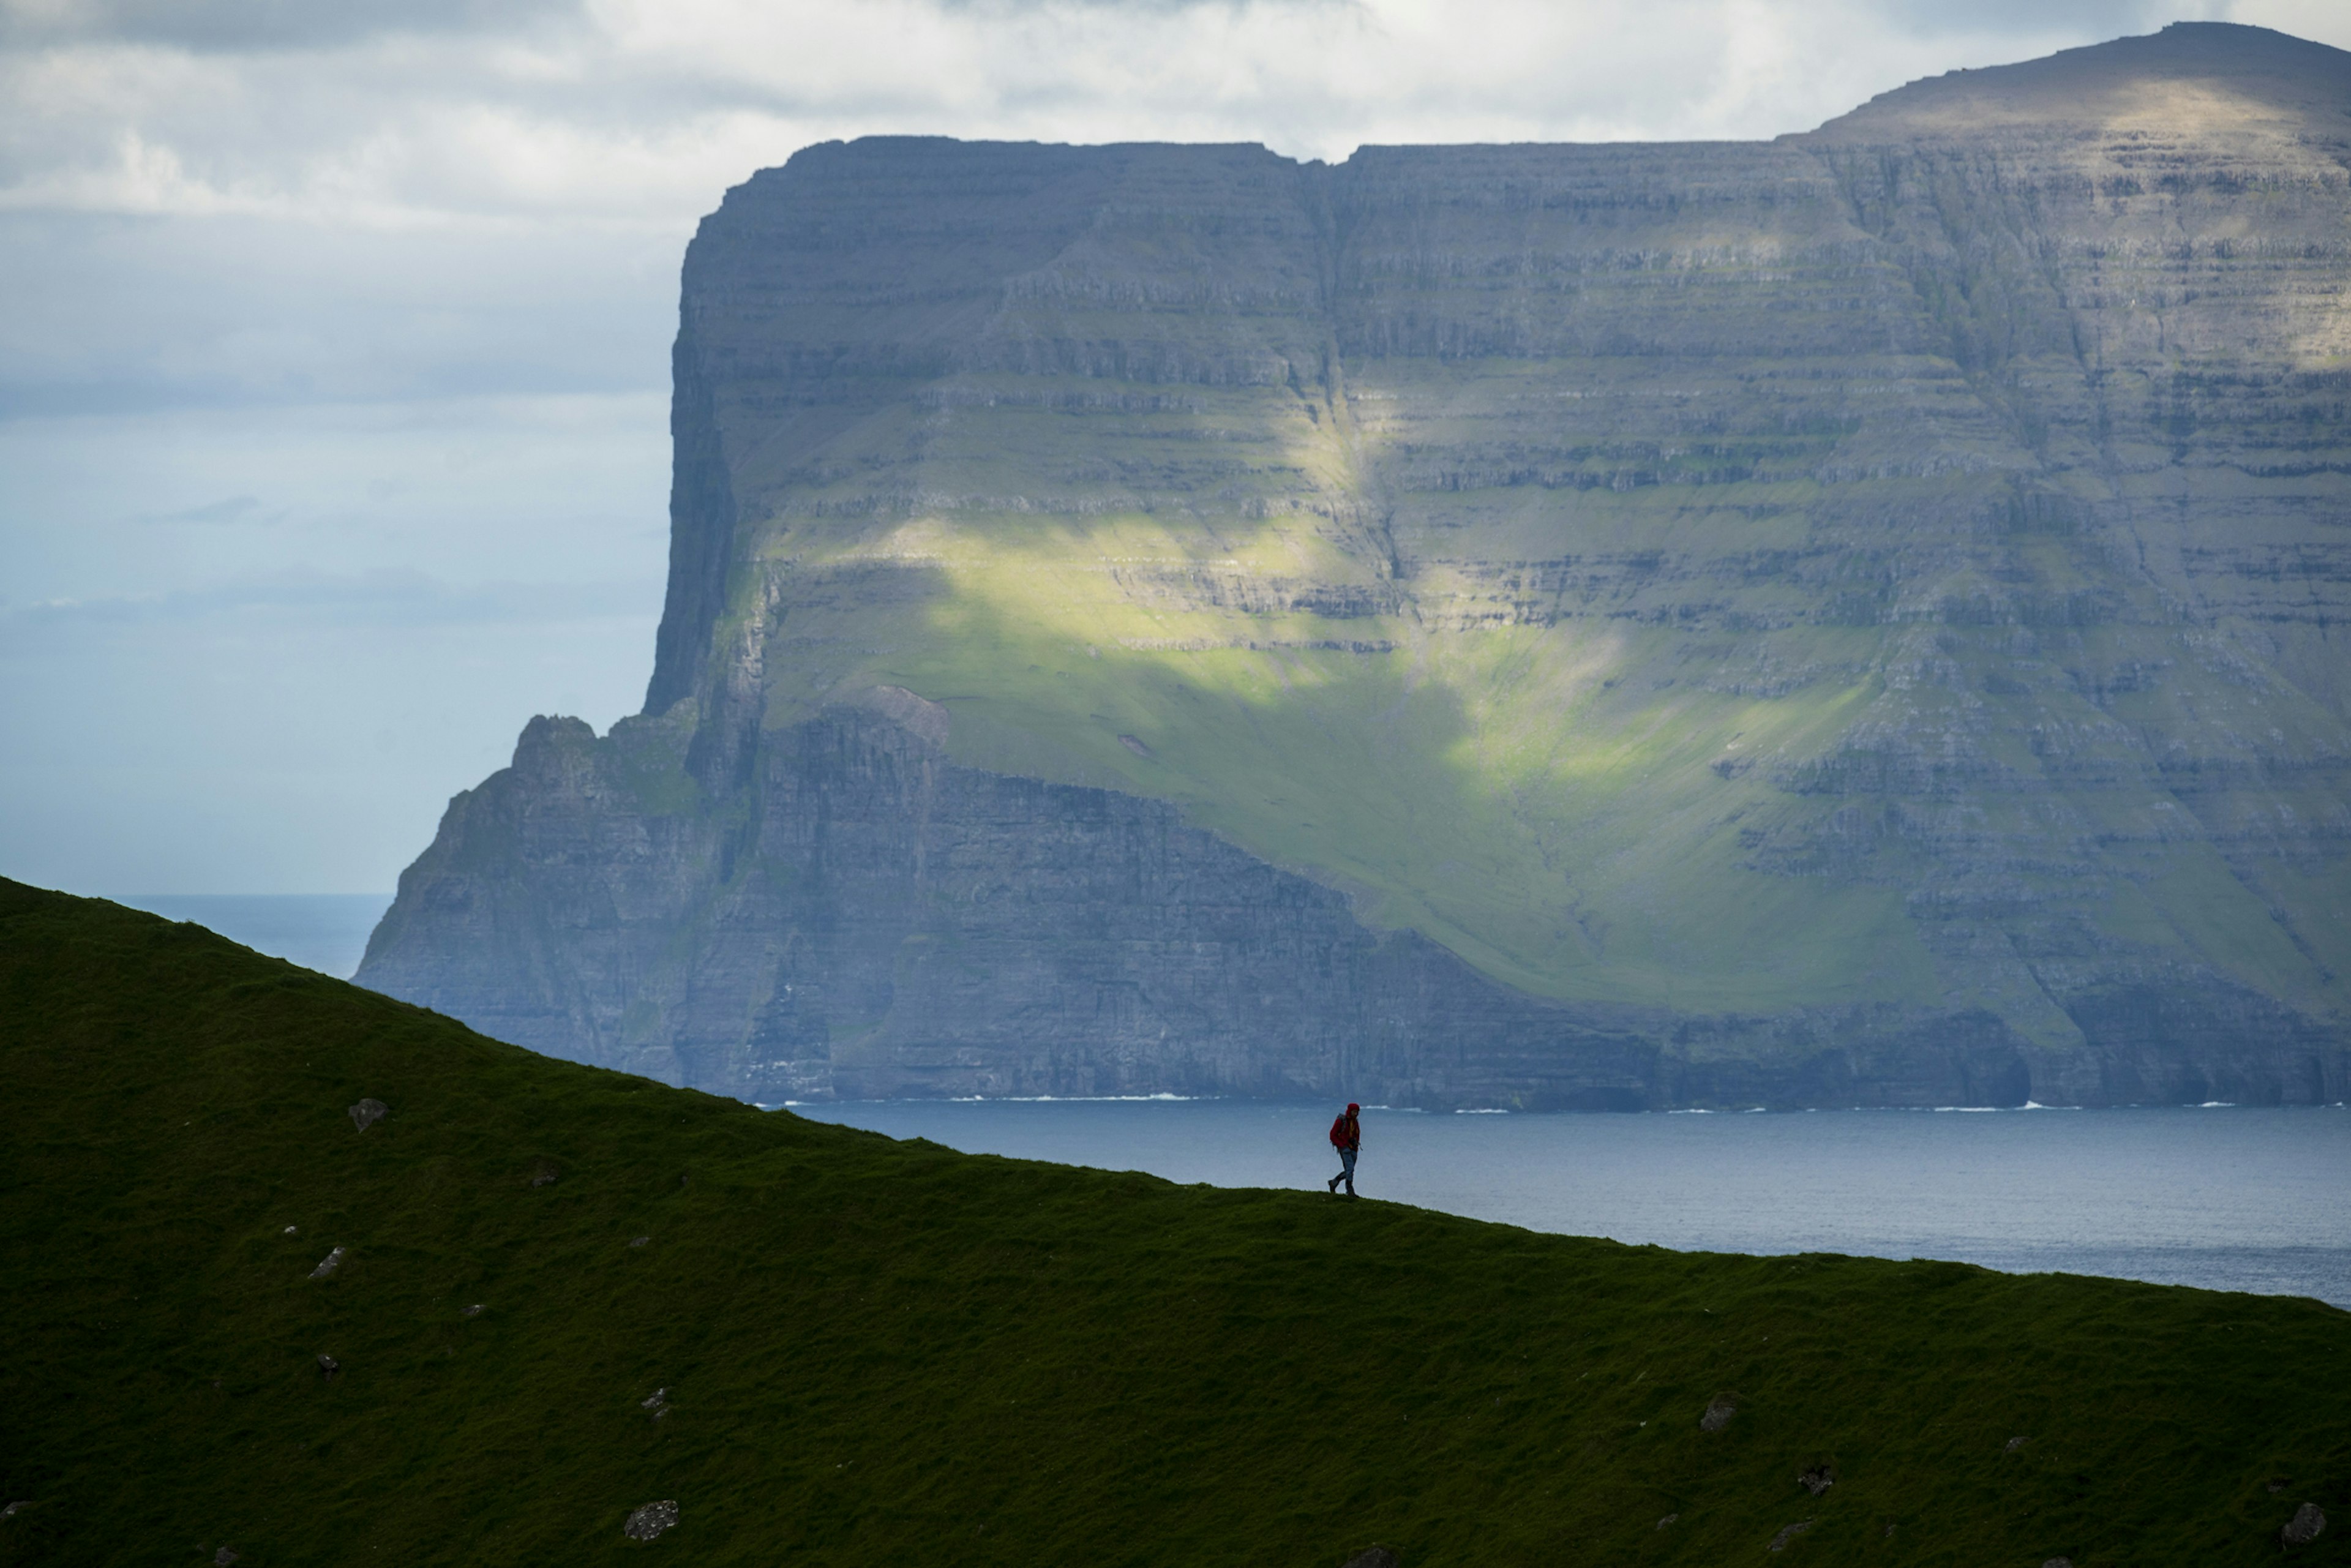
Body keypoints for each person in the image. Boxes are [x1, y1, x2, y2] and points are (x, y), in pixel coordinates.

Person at [1326, 1101, 1362, 1196]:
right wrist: (1341, 1145)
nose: (1356, 1114)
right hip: (1345, 1148)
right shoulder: (1341, 1121)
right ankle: (1350, 1190)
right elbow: (1332, 1135)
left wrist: (1356, 1145)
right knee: (1350, 1169)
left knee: (1350, 1171)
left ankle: (1334, 1183)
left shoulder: (1355, 1122)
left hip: (1353, 1149)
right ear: (1350, 1111)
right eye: (1354, 1112)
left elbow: (1357, 1134)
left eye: (1357, 1112)